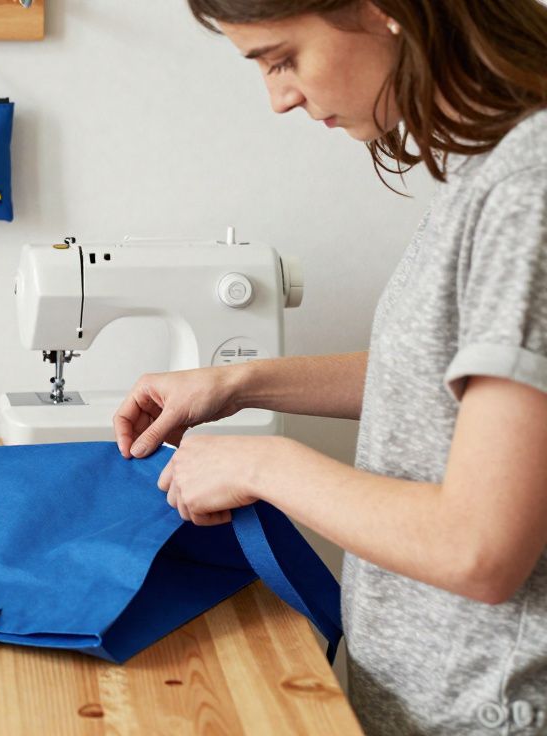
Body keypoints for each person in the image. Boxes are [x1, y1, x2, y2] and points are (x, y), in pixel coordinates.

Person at [111, 1, 547, 733]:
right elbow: (444, 379)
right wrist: (239, 383)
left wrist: (263, 464)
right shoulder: (495, 166)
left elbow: (479, 550)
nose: (279, 99)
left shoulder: (527, 192)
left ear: (384, 11)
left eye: (283, 59)